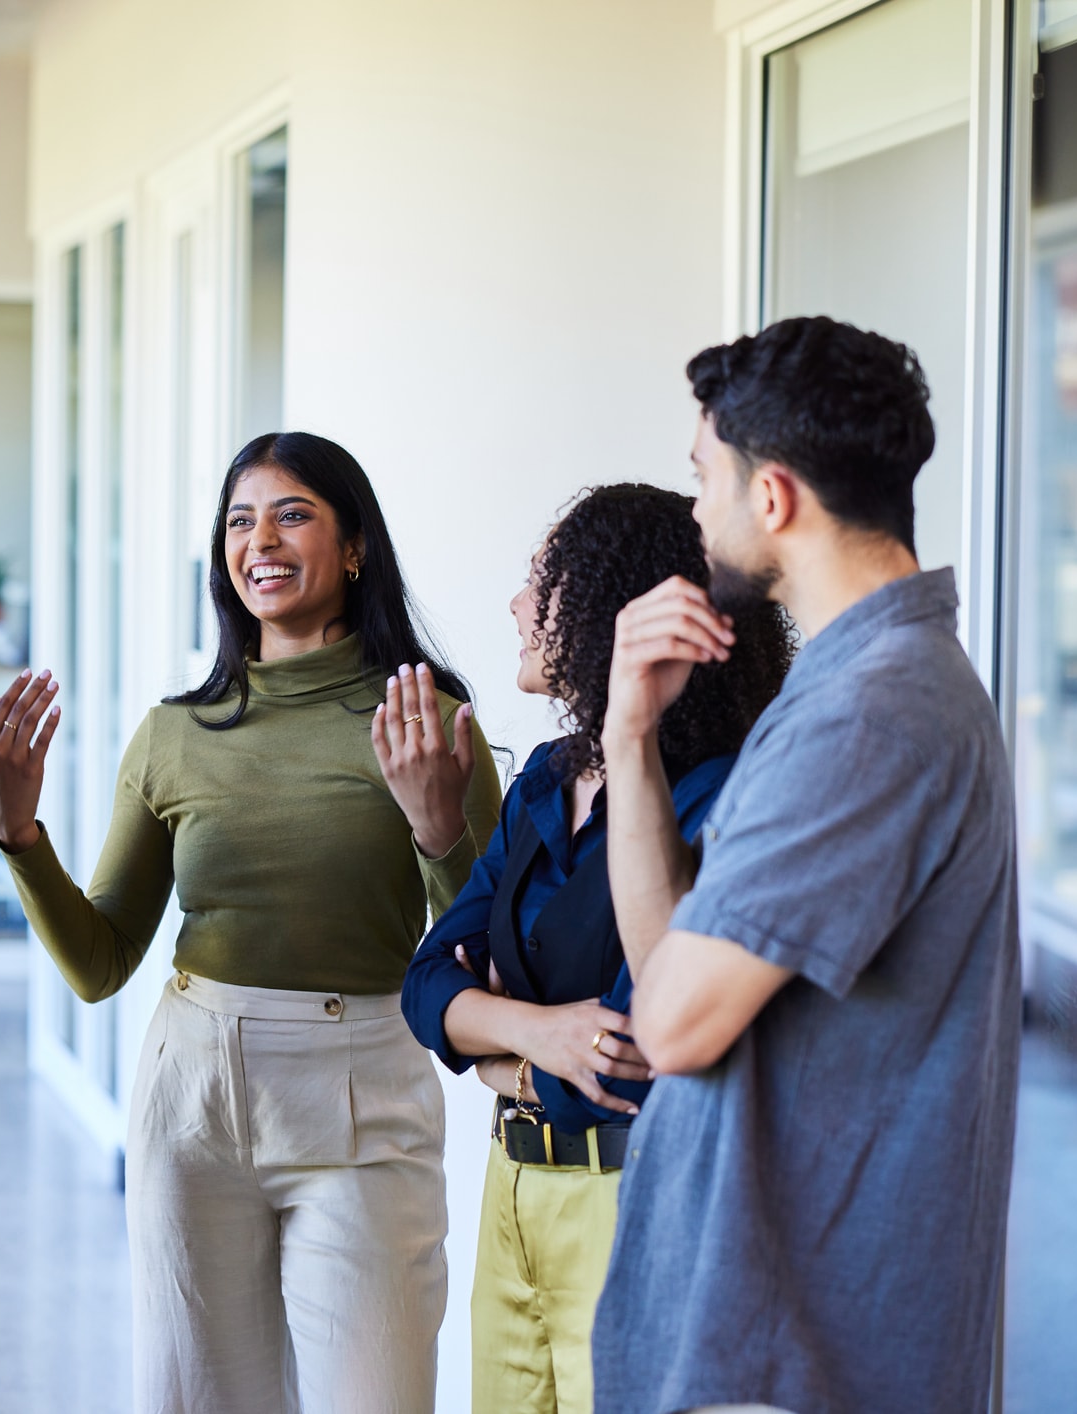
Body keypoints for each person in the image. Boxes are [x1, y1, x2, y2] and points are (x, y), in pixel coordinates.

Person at [0, 430, 503, 1414]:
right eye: (237, 519)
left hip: (363, 1090)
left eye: (291, 513)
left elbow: (479, 958)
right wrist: (19, 834)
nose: (257, 539)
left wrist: (435, 827)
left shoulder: (425, 716)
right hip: (191, 1095)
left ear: (354, 547)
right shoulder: (174, 732)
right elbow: (99, 962)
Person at [591, 317, 1019, 1414]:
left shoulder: (873, 714)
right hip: (761, 1338)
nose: (693, 510)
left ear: (771, 497)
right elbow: (668, 964)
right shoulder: (847, 687)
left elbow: (673, 1025)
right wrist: (628, 736)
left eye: (702, 478)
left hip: (791, 1360)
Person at [400, 484, 791, 1414]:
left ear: (610, 607)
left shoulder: (713, 799)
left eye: (542, 580)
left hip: (626, 1200)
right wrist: (537, 1041)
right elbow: (421, 986)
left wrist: (491, 1034)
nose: (515, 606)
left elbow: (630, 1054)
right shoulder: (545, 775)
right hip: (512, 1190)